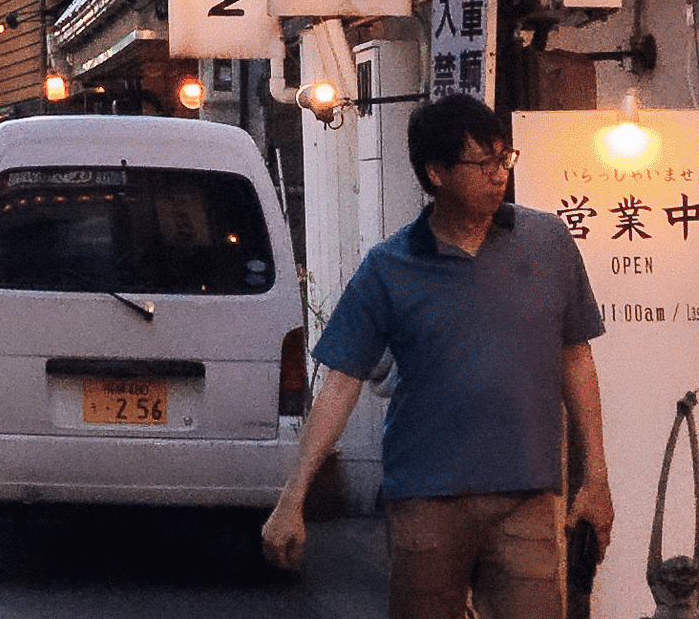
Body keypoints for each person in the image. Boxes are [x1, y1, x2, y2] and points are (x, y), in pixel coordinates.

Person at [260, 93, 614, 617]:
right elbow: (341, 382)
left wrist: (597, 477)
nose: (499, 175)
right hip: (425, 499)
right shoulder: (388, 266)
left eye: (504, 159)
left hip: (529, 495)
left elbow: (576, 358)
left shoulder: (548, 241)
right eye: (483, 163)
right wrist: (292, 499)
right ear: (437, 173)